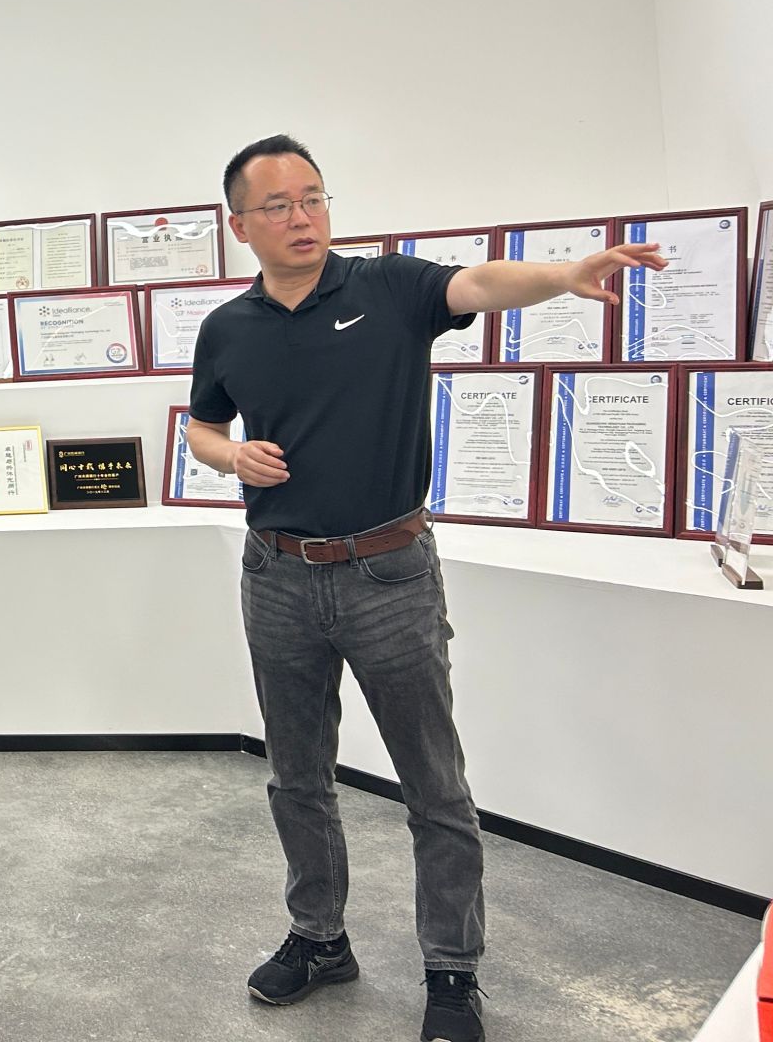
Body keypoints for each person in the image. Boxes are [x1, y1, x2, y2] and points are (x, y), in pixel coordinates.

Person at [185, 134, 663, 1042]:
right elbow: (203, 425)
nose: (302, 217)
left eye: (314, 197)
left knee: (433, 786)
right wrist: (229, 455)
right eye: (279, 205)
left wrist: (564, 275)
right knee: (296, 778)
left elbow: (478, 284)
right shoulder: (228, 328)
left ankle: (451, 968)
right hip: (276, 576)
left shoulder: (389, 288)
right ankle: (318, 938)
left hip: (390, 573)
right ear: (240, 225)